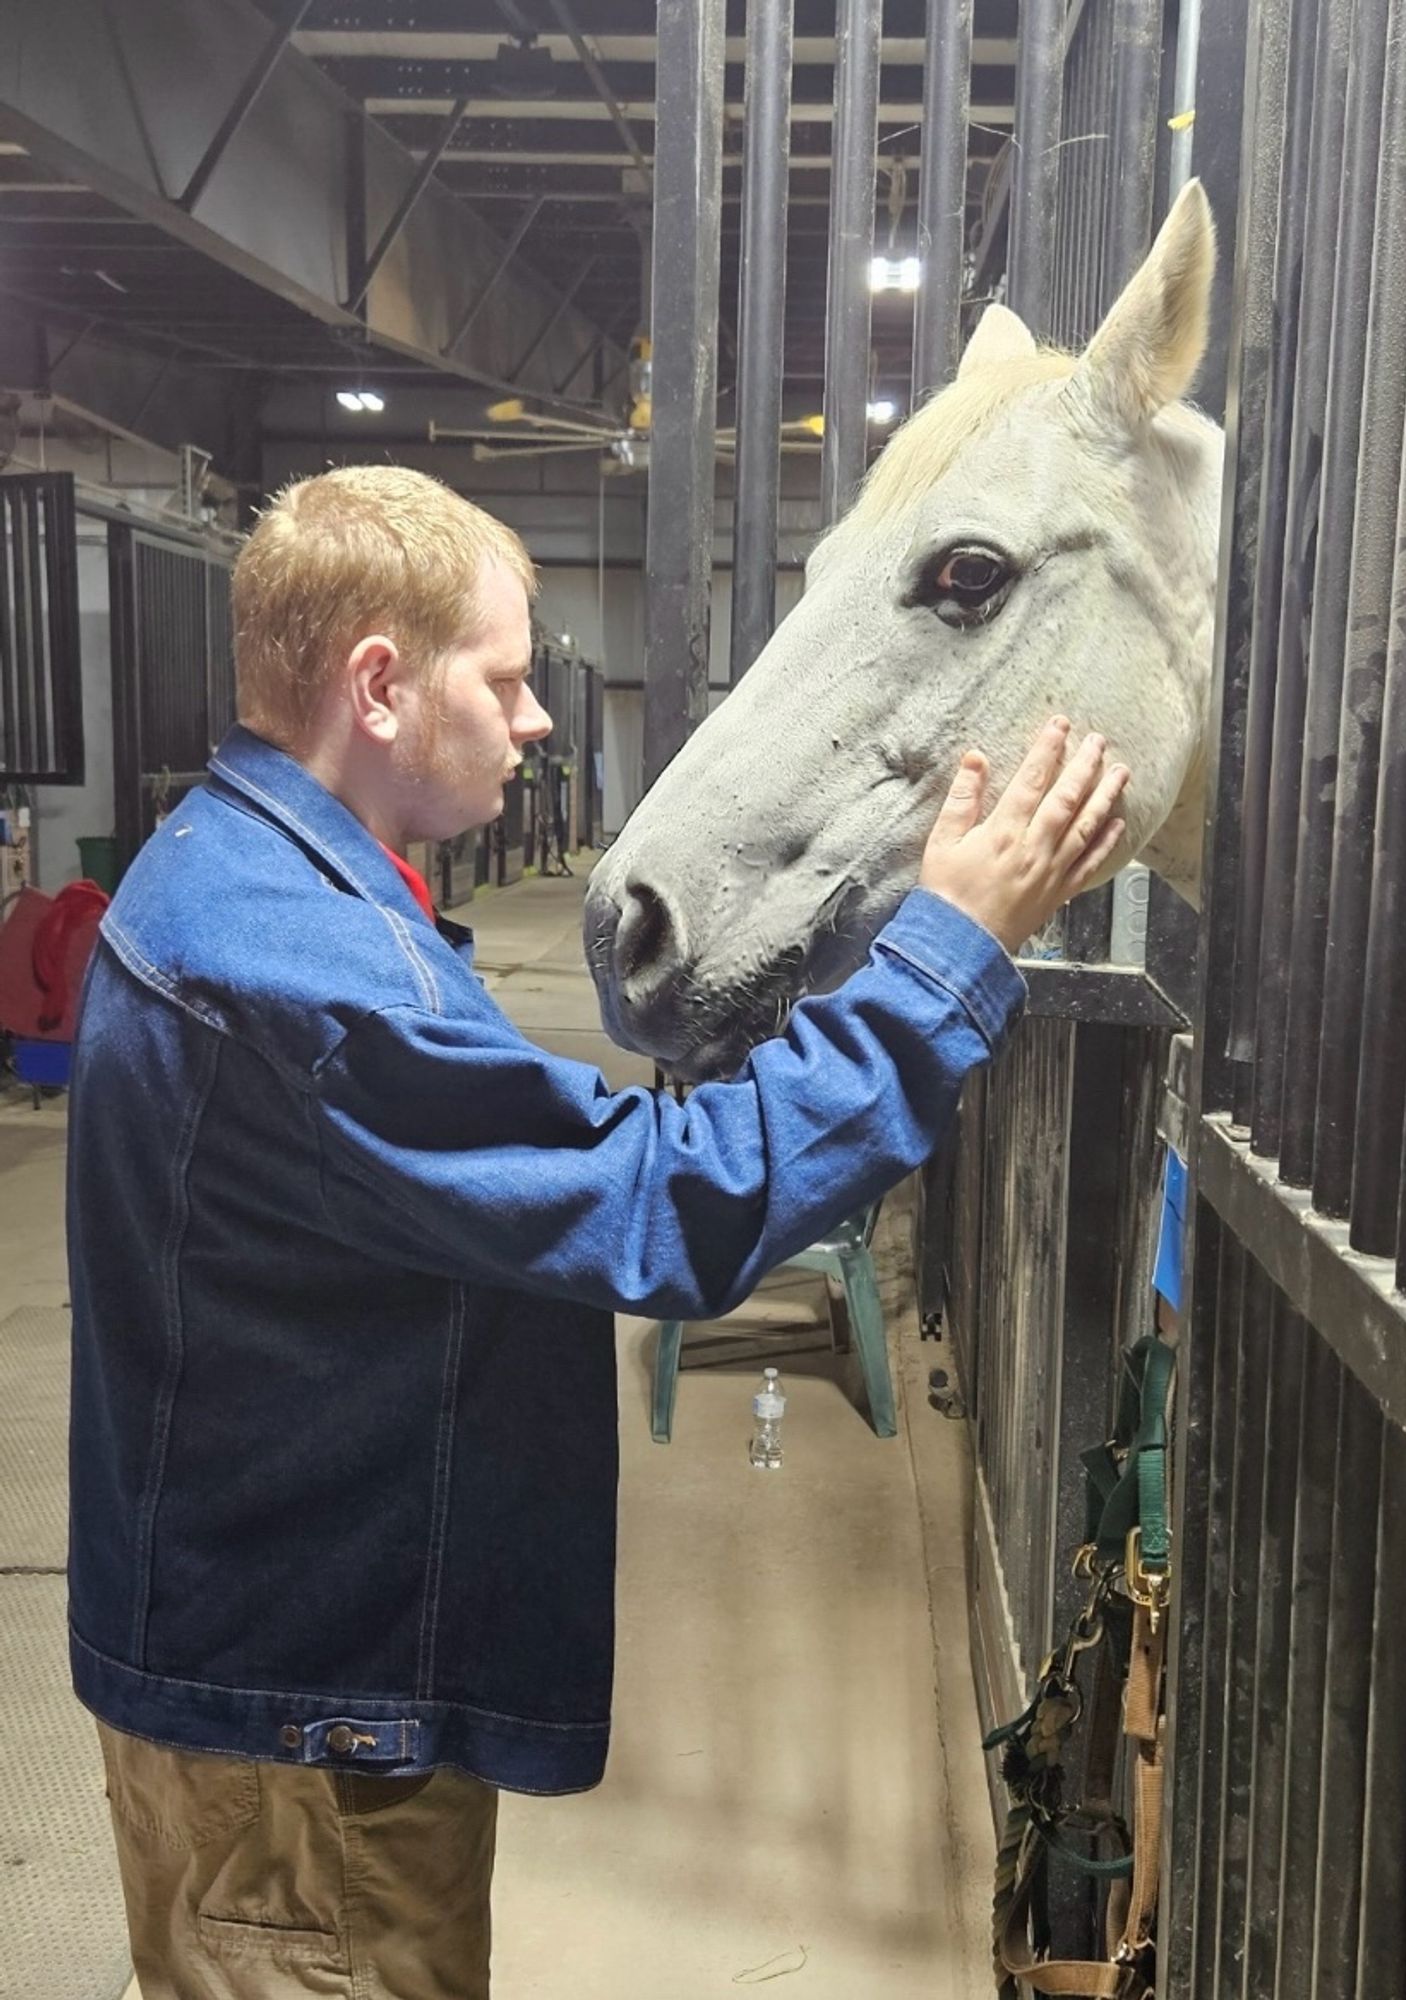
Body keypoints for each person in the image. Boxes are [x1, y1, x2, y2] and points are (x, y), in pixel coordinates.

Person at [67, 465, 1131, 1999]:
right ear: (379, 684)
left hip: (281, 1684)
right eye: (502, 680)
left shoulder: (241, 873)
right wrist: (944, 954)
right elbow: (661, 1203)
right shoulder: (295, 970)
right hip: (302, 1737)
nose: (538, 716)